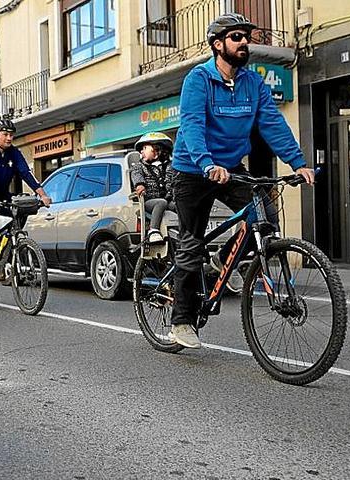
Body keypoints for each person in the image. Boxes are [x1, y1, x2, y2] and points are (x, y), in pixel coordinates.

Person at [169, 13, 315, 349]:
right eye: (236, 37)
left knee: (265, 217)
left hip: (231, 167)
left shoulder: (253, 83)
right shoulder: (198, 80)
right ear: (218, 45)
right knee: (191, 244)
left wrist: (298, 162)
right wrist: (206, 163)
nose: (244, 42)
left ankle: (225, 259)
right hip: (193, 170)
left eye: (247, 37)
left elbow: (272, 124)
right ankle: (181, 321)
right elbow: (191, 126)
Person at [0, 116, 52, 298]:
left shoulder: (14, 153)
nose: (8, 138)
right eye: (5, 134)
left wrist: (42, 194)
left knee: (22, 210)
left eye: (11, 135)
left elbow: (26, 173)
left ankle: (8, 243)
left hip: (1, 196)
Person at [131, 132, 176, 245]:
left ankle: (187, 231)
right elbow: (136, 175)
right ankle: (153, 231)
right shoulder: (139, 166)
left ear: (157, 150)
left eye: (145, 148)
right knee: (161, 203)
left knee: (180, 205)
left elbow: (173, 181)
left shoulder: (170, 166)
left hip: (167, 199)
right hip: (150, 201)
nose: (141, 152)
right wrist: (140, 185)